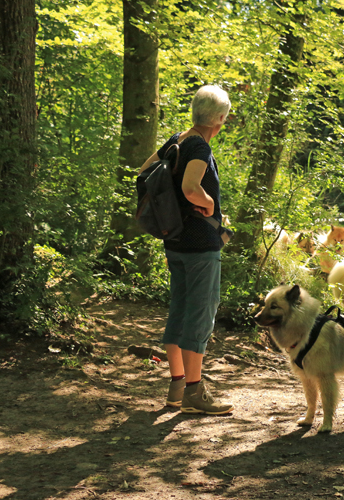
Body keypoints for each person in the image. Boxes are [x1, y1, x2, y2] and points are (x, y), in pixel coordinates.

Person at [138, 85, 233, 415]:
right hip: (199, 246)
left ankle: (177, 386)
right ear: (220, 118)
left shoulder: (176, 140)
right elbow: (192, 188)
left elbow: (144, 171)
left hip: (175, 241)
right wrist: (207, 203)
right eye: (226, 116)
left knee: (179, 309)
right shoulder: (199, 148)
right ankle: (195, 393)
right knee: (200, 314)